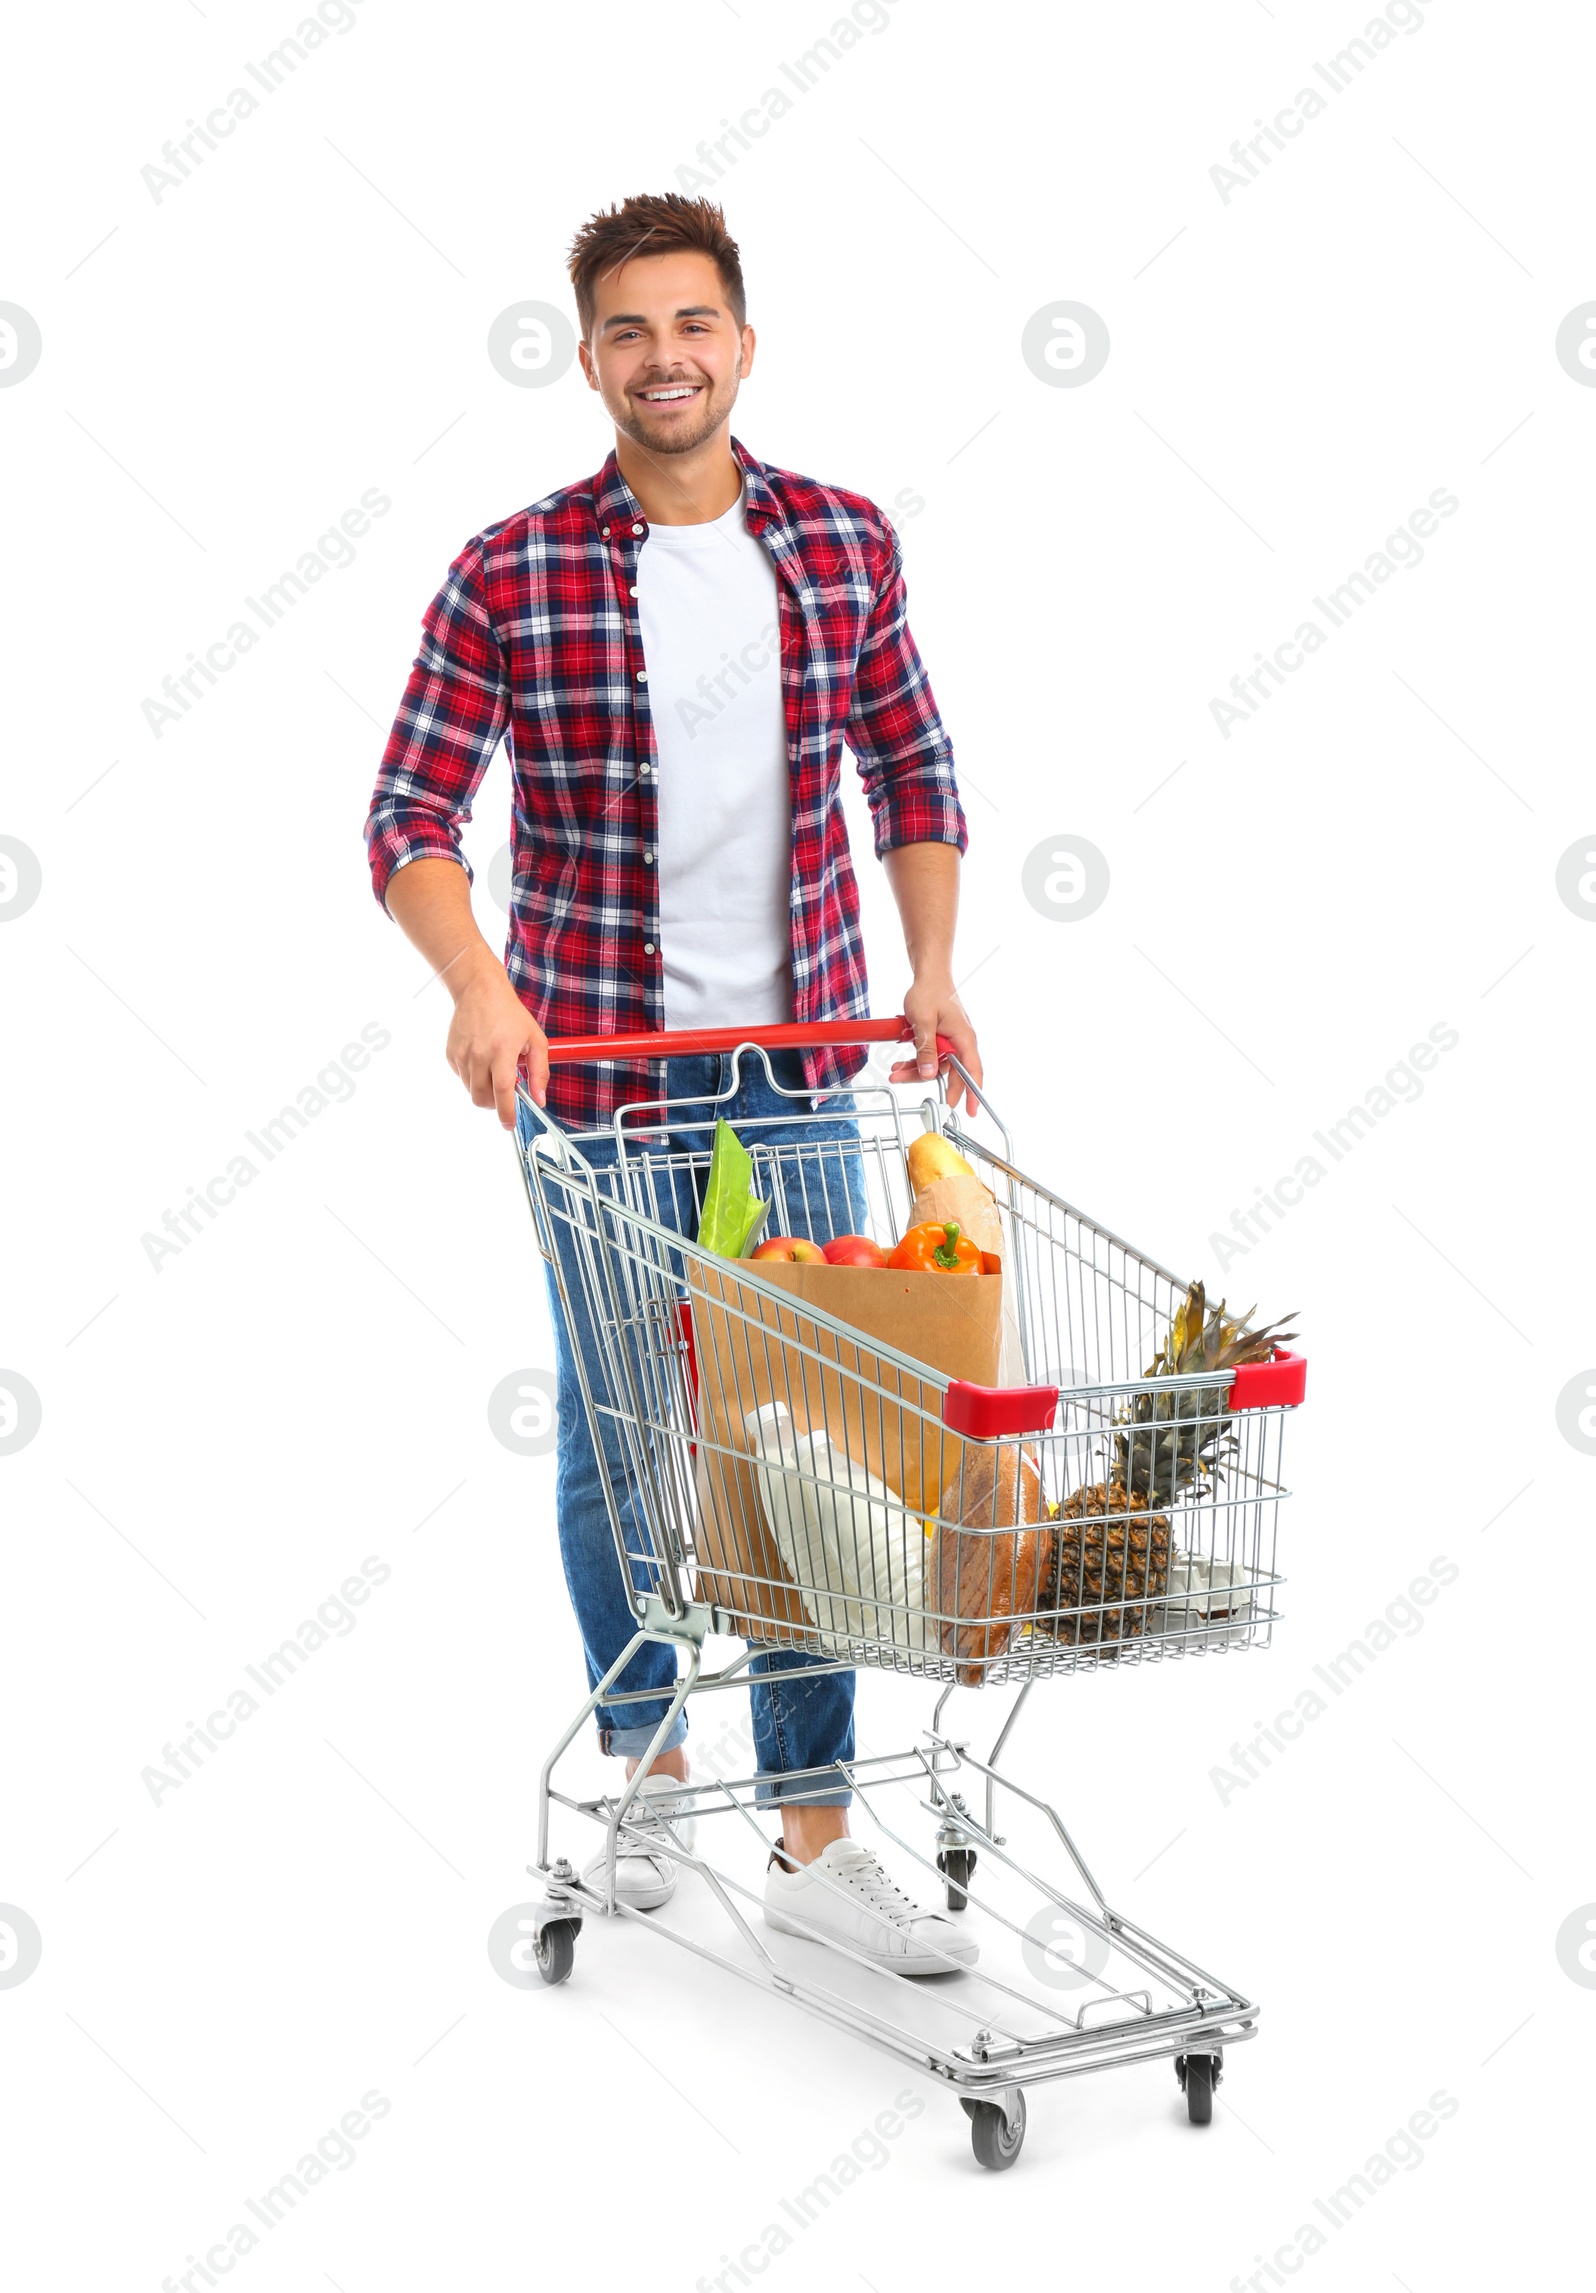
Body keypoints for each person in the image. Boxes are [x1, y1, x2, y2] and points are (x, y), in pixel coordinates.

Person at [364, 192, 983, 1975]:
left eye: (692, 324)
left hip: (801, 1065)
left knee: (816, 1426)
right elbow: (411, 815)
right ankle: (641, 1757)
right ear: (591, 359)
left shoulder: (844, 545)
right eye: (629, 331)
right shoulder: (515, 567)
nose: (666, 358)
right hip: (601, 1070)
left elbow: (915, 774)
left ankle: (811, 1834)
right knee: (633, 1410)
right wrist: (481, 989)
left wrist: (930, 972)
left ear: (744, 343)